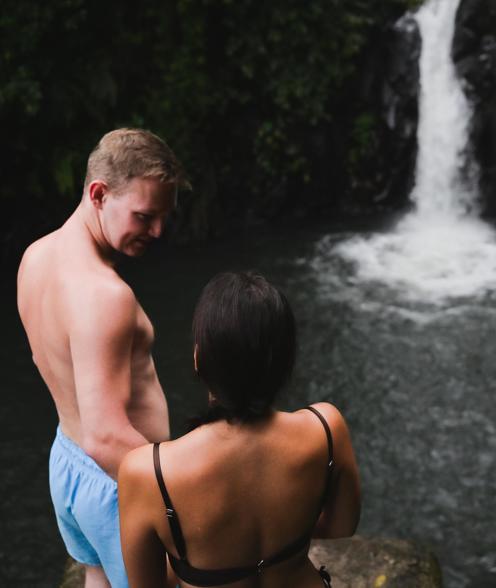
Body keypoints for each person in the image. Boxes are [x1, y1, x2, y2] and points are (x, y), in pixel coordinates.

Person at [17, 128, 189, 588]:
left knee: (99, 579)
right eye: (144, 215)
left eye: (162, 218)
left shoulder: (36, 257)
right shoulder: (104, 295)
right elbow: (106, 436)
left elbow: (45, 362)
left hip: (67, 465)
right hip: (118, 485)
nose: (157, 231)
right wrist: (183, 496)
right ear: (98, 193)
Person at [118, 271, 361, 588]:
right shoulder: (326, 429)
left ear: (198, 358)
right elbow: (341, 527)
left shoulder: (149, 472)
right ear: (286, 361)